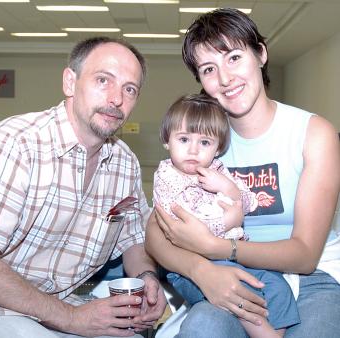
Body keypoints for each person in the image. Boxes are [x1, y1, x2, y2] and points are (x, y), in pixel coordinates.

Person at [145, 8, 340, 338]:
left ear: (261, 54)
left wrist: (218, 248)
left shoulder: (313, 133)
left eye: (234, 57)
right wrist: (201, 269)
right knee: (203, 328)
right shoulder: (201, 142)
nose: (224, 78)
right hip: (227, 273)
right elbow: (154, 233)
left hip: (311, 276)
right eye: (209, 69)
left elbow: (305, 255)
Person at [0, 36, 167, 338]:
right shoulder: (15, 145)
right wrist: (70, 318)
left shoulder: (125, 163)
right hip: (1, 309)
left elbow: (134, 241)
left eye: (130, 89)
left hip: (68, 307)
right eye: (103, 80)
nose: (116, 99)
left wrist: (146, 277)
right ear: (70, 83)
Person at [153, 93, 299, 337]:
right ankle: (265, 334)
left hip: (234, 258)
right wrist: (228, 221)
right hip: (191, 267)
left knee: (276, 286)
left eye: (205, 143)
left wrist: (227, 187)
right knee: (242, 290)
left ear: (218, 148)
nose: (193, 150)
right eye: (184, 139)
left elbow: (249, 201)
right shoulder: (168, 178)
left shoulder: (217, 170)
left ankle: (277, 332)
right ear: (167, 140)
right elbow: (182, 227)